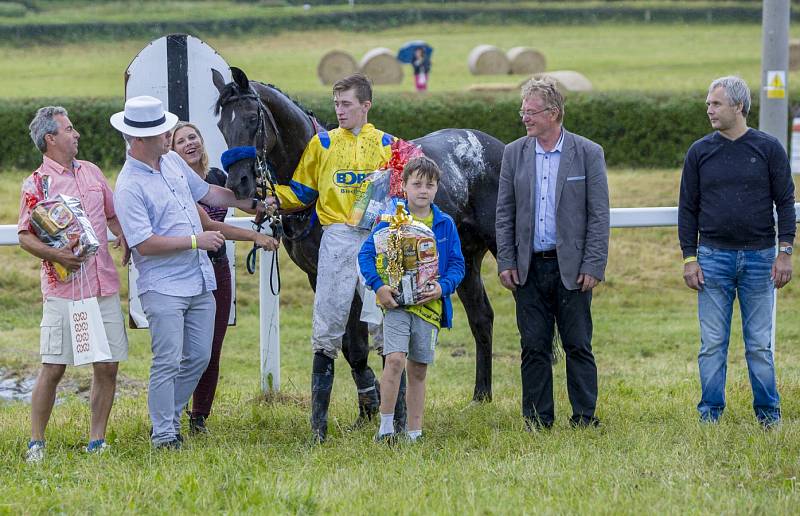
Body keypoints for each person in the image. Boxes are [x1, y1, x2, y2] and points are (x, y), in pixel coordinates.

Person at [111, 96, 264, 449]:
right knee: (166, 360)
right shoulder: (129, 186)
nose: (169, 135)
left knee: (199, 356)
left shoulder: (173, 163)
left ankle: (168, 418)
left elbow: (210, 193)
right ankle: (164, 434)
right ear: (140, 140)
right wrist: (197, 241)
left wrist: (253, 203)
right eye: (162, 131)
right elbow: (144, 244)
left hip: (198, 280)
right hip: (164, 286)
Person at [264, 73, 395, 442]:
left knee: (385, 327)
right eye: (336, 104)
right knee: (327, 328)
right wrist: (275, 198)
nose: (339, 111)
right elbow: (303, 191)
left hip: (376, 240)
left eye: (347, 104)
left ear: (366, 106)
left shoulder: (391, 146)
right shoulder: (320, 144)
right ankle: (317, 427)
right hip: (335, 239)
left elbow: (414, 188)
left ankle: (393, 422)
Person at [679, 76, 794, 429]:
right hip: (712, 259)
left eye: (716, 104)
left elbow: (786, 202)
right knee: (712, 344)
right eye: (708, 104)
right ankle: (709, 415)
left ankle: (769, 417)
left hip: (761, 259)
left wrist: (785, 251)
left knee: (760, 345)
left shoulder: (769, 148)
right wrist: (689, 257)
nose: (709, 110)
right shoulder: (699, 151)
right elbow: (688, 208)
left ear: (739, 106)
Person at [495, 78, 609, 431]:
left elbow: (599, 215)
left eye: (531, 112)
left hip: (572, 268)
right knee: (533, 346)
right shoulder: (514, 153)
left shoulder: (588, 152)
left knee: (577, 344)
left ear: (554, 113)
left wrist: (593, 264)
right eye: (523, 111)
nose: (524, 118)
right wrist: (506, 260)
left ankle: (584, 417)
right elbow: (504, 212)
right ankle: (536, 420)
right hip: (528, 268)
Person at [18, 106, 130, 462]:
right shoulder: (37, 184)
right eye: (69, 129)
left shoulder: (93, 173)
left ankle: (97, 441)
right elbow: (24, 235)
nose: (77, 134)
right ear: (51, 138)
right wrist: (57, 257)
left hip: (102, 285)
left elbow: (112, 214)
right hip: (64, 291)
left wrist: (123, 236)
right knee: (54, 366)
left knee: (108, 365)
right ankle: (36, 443)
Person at [171, 121, 279, 434]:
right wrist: (255, 238)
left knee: (213, 347)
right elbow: (206, 224)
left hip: (217, 268)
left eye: (193, 137)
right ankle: (172, 412)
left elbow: (234, 200)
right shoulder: (175, 181)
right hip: (187, 267)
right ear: (172, 151)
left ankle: (199, 416)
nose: (190, 143)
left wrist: (264, 205)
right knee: (187, 349)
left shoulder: (216, 178)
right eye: (181, 141)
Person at [359, 156, 464, 442]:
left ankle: (415, 432)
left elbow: (457, 265)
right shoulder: (391, 222)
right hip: (396, 305)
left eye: (429, 185)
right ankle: (386, 428)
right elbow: (366, 255)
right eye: (416, 184)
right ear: (403, 186)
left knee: (418, 368)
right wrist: (379, 287)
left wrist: (443, 287)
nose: (423, 190)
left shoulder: (445, 224)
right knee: (394, 360)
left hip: (429, 307)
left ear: (437, 188)